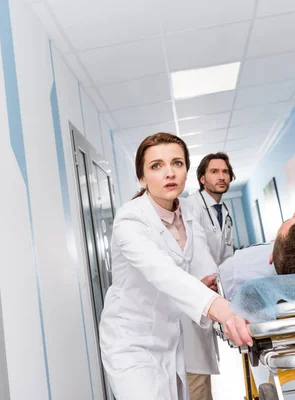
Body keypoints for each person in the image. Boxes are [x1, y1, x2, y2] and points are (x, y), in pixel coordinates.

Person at [98, 133, 252, 400]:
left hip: (170, 336)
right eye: (156, 166)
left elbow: (195, 267)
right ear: (142, 179)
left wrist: (204, 285)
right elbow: (163, 273)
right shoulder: (130, 221)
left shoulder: (187, 215)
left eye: (177, 163)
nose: (169, 172)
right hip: (132, 341)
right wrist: (223, 311)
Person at [183, 152, 236, 399]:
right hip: (194, 296)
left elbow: (225, 254)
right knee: (195, 375)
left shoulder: (223, 209)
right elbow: (198, 250)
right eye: (214, 171)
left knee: (201, 374)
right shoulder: (191, 206)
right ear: (202, 178)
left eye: (225, 171)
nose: (221, 176)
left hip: (210, 293)